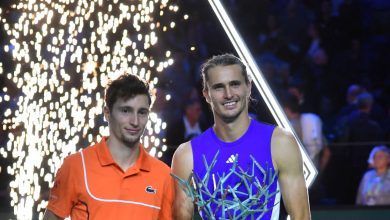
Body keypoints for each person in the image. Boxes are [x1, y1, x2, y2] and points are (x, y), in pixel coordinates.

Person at [171, 54, 311, 219]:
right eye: (219, 87)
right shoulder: (186, 155)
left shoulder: (280, 143)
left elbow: (301, 216)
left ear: (248, 87)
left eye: (235, 84)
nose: (228, 94)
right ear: (207, 94)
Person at [43, 74, 174, 220]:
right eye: (125, 111)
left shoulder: (164, 176)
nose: (135, 121)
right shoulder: (76, 166)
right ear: (107, 113)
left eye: (142, 112)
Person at [162, 98, 208, 165]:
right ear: (188, 110)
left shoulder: (204, 126)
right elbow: (170, 150)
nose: (200, 113)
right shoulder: (175, 127)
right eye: (197, 110)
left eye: (200, 110)